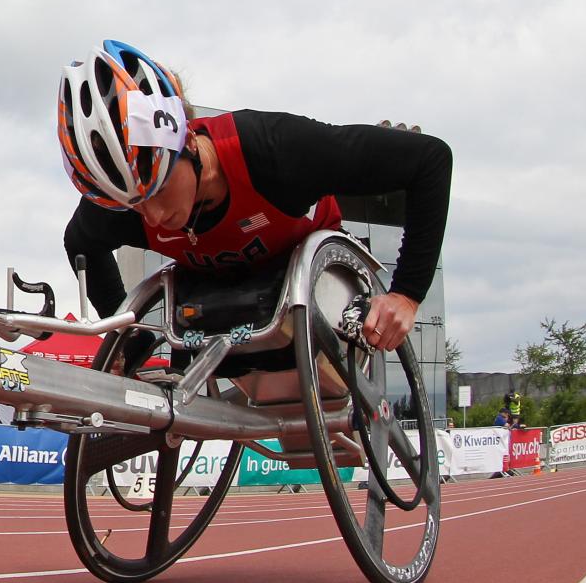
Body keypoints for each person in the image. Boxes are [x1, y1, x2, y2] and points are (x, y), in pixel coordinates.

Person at [58, 40, 452, 354]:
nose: (154, 215)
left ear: (188, 139)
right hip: (219, 305)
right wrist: (128, 337)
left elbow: (430, 160)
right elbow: (80, 243)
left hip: (310, 294)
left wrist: (407, 293)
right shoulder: (130, 204)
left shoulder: (277, 150)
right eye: (134, 204)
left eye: (158, 188)